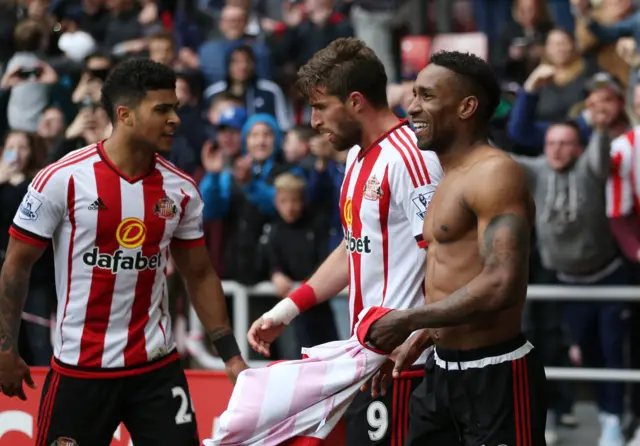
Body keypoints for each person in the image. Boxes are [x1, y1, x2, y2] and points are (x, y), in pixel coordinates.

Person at [0, 59, 248, 446]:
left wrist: (231, 356)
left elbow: (199, 274)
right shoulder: (61, 179)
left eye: (175, 109)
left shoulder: (181, 190)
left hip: (156, 371)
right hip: (80, 371)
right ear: (125, 114)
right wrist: (5, 349)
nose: (174, 120)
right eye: (162, 110)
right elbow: (15, 266)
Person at [247, 37, 444, 445]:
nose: (314, 121)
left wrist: (417, 339)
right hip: (367, 359)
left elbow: (448, 260)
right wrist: (287, 309)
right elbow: (353, 245)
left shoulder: (414, 159)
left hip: (410, 366)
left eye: (320, 107)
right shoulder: (355, 157)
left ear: (355, 101)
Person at [366, 51, 548, 446]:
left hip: (495, 373)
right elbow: (455, 272)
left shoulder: (495, 172)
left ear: (466, 107)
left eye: (427, 96)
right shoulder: (449, 175)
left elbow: (501, 283)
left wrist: (407, 319)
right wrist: (425, 335)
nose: (411, 106)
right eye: (413, 94)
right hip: (442, 370)